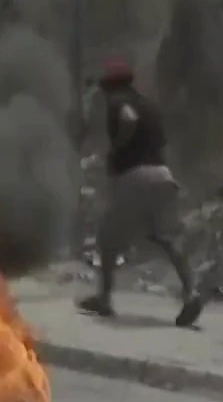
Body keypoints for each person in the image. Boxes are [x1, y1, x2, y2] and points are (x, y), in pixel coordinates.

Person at [78, 59, 203, 327]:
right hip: (161, 174)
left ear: (110, 85)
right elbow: (162, 142)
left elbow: (127, 119)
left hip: (133, 176)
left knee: (108, 238)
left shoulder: (119, 101)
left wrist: (117, 149)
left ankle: (104, 298)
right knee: (168, 238)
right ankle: (191, 292)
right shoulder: (150, 105)